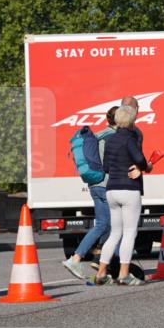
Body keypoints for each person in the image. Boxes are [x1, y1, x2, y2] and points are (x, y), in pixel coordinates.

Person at [93, 106, 152, 286]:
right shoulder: (130, 138)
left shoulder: (109, 139)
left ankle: (101, 273)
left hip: (111, 190)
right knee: (129, 233)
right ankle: (124, 274)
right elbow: (139, 159)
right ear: (132, 120)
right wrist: (144, 166)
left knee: (114, 233)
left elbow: (106, 168)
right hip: (129, 190)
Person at [63, 106, 119, 279]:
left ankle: (89, 258)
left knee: (104, 224)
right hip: (106, 185)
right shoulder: (114, 137)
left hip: (95, 184)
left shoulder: (99, 135)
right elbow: (112, 163)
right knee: (115, 226)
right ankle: (94, 259)